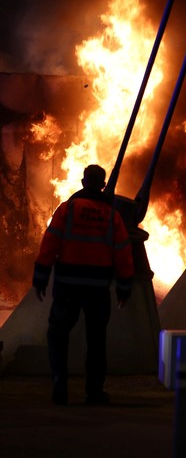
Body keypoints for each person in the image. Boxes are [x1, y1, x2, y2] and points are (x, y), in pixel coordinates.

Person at [32, 164, 134, 406]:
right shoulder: (112, 216)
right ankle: (94, 392)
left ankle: (59, 381)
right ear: (103, 185)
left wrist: (41, 277)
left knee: (58, 333)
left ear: (82, 182)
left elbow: (50, 244)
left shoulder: (67, 209)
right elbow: (123, 254)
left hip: (67, 285)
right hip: (98, 289)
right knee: (96, 340)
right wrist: (124, 288)